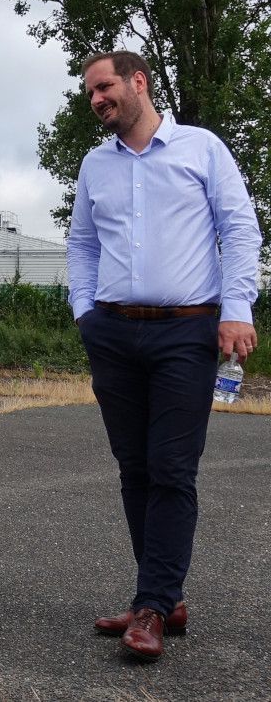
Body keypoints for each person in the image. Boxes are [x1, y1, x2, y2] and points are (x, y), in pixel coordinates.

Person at [68, 51, 261, 661]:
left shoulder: (201, 148)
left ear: (138, 82)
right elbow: (81, 243)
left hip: (188, 331)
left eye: (104, 87)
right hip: (115, 334)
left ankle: (151, 606)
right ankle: (163, 595)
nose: (97, 99)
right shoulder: (95, 165)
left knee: (172, 468)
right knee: (134, 467)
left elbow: (239, 227)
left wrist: (237, 309)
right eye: (90, 93)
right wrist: (86, 313)